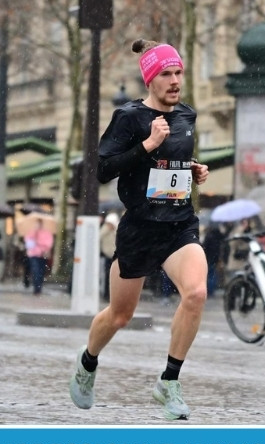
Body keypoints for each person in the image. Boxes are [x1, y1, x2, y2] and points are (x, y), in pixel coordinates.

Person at [68, 38, 210, 420]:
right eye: (166, 73)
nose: (175, 80)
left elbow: (173, 161)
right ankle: (87, 363)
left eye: (178, 72)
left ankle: (169, 382)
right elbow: (101, 171)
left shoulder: (187, 116)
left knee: (196, 293)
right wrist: (148, 144)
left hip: (179, 224)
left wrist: (193, 170)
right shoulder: (128, 118)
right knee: (119, 315)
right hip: (140, 227)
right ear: (150, 79)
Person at [25, 218, 54, 295]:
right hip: (33, 254)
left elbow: (49, 243)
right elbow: (28, 243)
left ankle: (39, 286)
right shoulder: (31, 232)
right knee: (35, 270)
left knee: (41, 271)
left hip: (43, 254)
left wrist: (41, 244)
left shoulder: (46, 232)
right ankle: (36, 287)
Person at [202, 222, 227, 297]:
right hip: (216, 257)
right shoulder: (219, 235)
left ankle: (209, 291)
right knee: (213, 275)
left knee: (210, 275)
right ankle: (212, 290)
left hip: (209, 258)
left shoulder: (209, 236)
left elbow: (205, 247)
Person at [99, 213, 119, 300]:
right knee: (107, 276)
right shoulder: (105, 229)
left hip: (116, 256)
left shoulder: (118, 229)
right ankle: (106, 294)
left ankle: (112, 294)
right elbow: (99, 236)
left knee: (114, 277)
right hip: (107, 255)